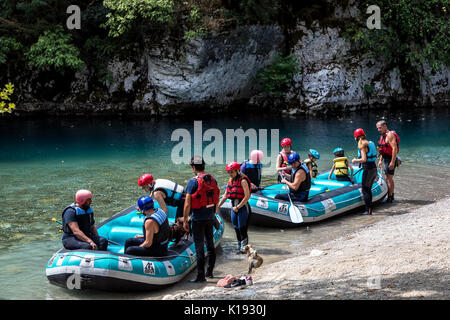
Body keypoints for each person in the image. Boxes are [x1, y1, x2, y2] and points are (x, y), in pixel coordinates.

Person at [183, 155, 220, 283]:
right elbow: (216, 197)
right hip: (210, 217)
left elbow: (187, 203)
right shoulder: (212, 179)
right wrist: (214, 213)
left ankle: (200, 277)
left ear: (193, 167)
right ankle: (209, 273)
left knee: (199, 247)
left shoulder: (193, 181)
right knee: (210, 244)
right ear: (203, 166)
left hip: (198, 219)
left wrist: (186, 220)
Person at [218, 161, 252, 253]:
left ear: (237, 171)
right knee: (236, 227)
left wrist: (238, 207)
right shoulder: (230, 181)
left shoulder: (243, 181)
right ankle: (239, 245)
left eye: (232, 172)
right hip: (233, 208)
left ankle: (244, 248)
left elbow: (247, 196)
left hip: (243, 207)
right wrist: (217, 206)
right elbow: (225, 196)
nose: (230, 174)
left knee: (242, 227)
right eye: (229, 172)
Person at [351, 128, 378, 215]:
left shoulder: (362, 145)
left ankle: (368, 210)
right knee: (368, 189)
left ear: (357, 138)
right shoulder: (370, 143)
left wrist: (355, 160)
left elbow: (364, 159)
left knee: (365, 190)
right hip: (373, 168)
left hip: (368, 169)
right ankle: (370, 209)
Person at [376, 120, 400, 203]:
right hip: (386, 158)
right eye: (377, 128)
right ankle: (391, 196)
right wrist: (380, 160)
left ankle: (390, 198)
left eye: (380, 128)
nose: (378, 129)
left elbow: (394, 148)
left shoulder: (390, 135)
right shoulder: (382, 136)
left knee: (388, 178)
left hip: (390, 158)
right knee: (388, 178)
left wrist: (392, 162)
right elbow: (383, 149)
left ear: (385, 126)